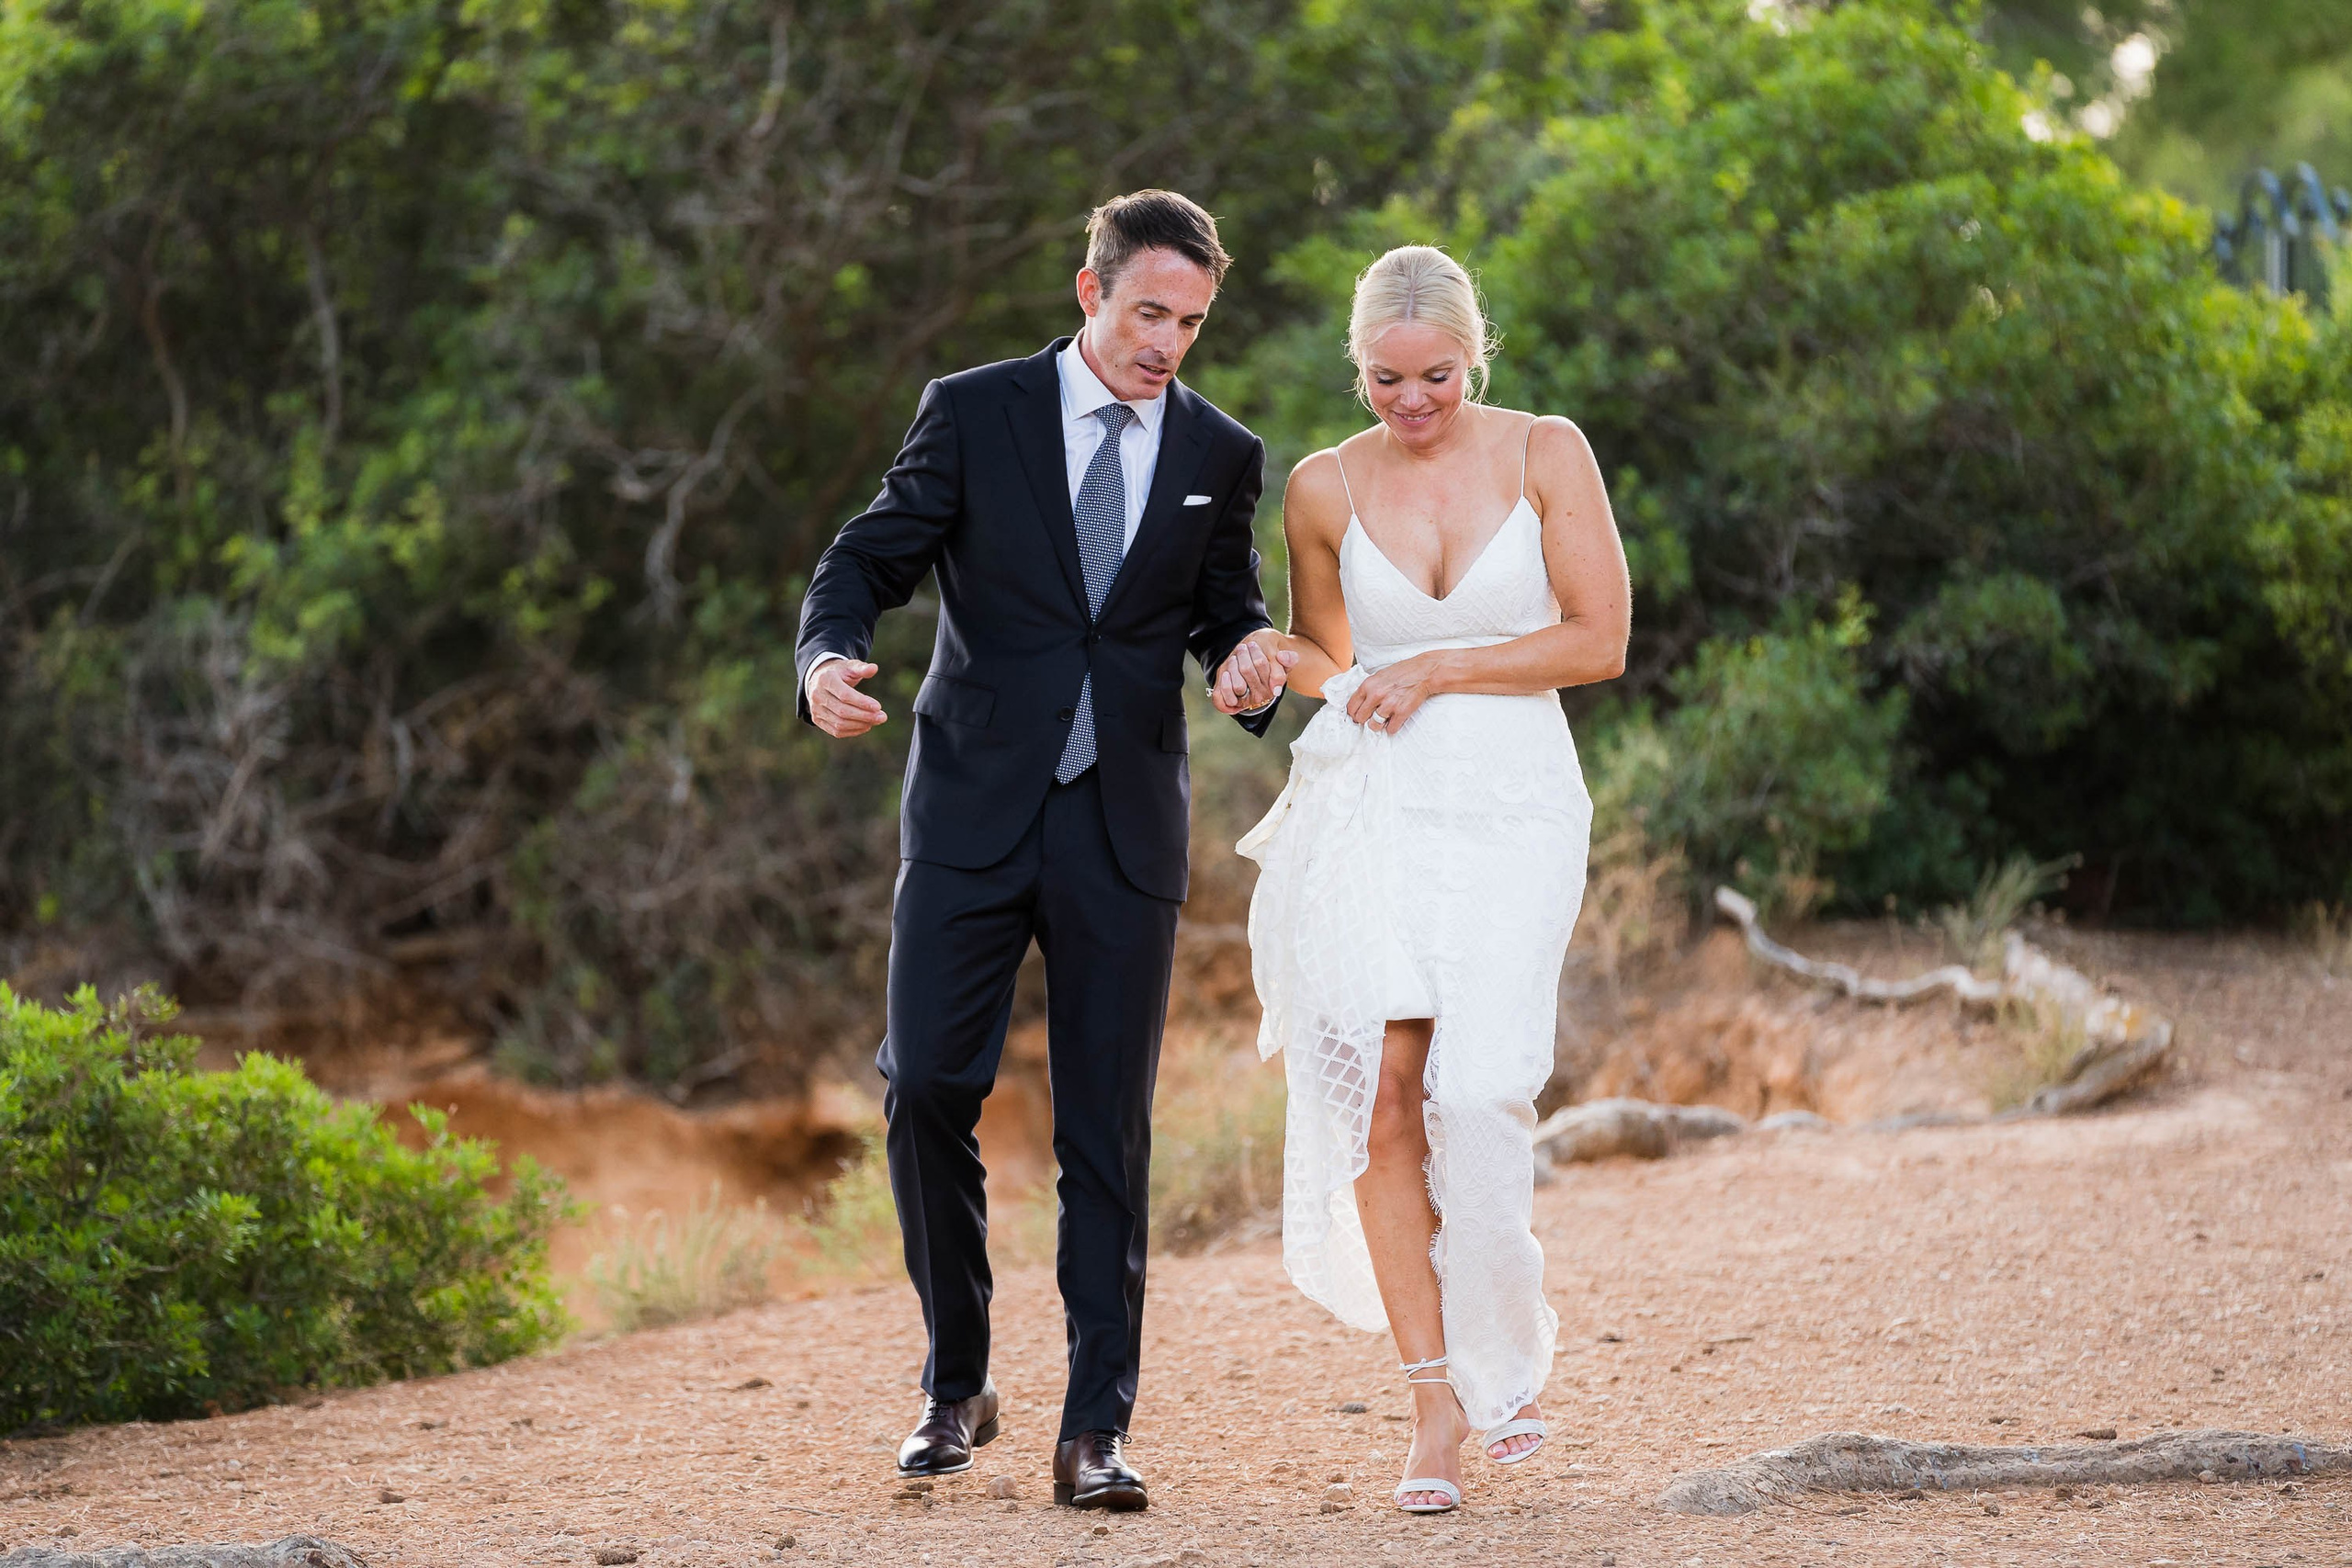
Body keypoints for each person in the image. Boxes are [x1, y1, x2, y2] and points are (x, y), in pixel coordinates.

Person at [796, 190, 1296, 1513]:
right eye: (1148, 313)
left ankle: (1096, 1431)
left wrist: (1248, 668)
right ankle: (957, 1381)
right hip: (969, 811)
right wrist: (824, 658)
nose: (1167, 343)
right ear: (1091, 294)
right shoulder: (975, 411)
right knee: (925, 1090)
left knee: (1106, 1138)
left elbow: (1227, 618)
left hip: (1120, 825)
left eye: (1190, 322)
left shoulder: (1218, 449)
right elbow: (863, 560)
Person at [1238, 244, 1630, 1514]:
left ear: (1481, 355)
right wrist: (1262, 660)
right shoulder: (1319, 487)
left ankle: (1504, 1363)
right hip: (1379, 800)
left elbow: (1599, 638)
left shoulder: (1546, 451)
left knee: (1483, 1089)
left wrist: (1446, 668)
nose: (1410, 404)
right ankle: (1434, 1409)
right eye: (1384, 381)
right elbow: (1322, 652)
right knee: (1383, 1094)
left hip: (1517, 803)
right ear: (1357, 371)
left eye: (1437, 378)